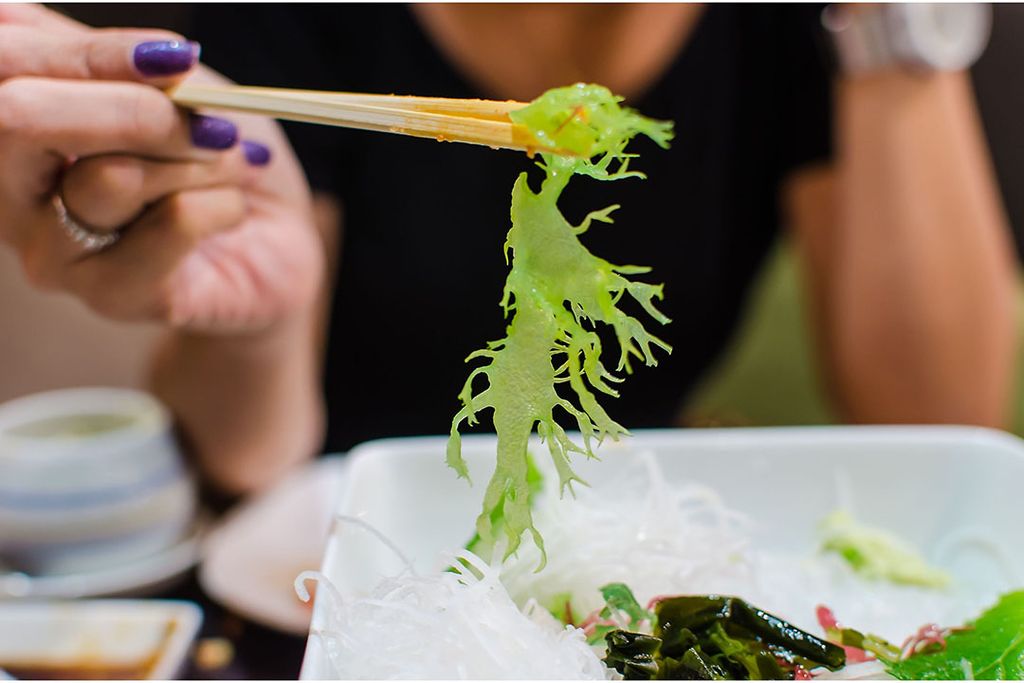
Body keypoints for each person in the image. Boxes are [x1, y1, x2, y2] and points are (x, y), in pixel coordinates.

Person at [0, 4, 1016, 496]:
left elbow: (939, 423)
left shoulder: (802, 24)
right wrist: (259, 320)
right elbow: (246, 457)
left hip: (654, 534)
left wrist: (898, 32)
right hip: (348, 529)